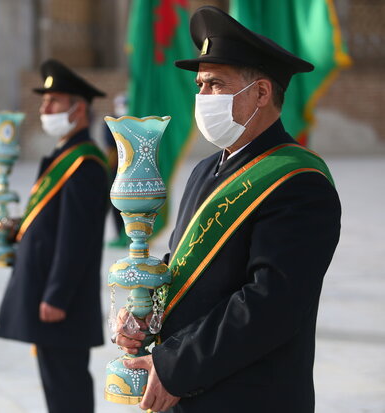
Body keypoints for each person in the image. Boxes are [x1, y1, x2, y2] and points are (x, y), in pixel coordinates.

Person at [114, 6, 341, 413]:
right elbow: (189, 262)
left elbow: (269, 305)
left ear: (261, 93)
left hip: (247, 396)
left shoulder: (300, 182)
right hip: (192, 390)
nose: (202, 98)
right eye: (199, 85)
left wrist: (175, 365)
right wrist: (144, 312)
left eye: (215, 85)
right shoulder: (207, 168)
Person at [0, 59, 109, 413]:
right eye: (44, 101)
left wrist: (57, 296)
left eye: (54, 101)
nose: (44, 108)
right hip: (47, 290)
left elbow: (77, 238)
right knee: (56, 382)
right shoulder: (64, 154)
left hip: (61, 299)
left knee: (67, 386)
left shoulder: (84, 164)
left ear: (78, 109)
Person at [104, 92, 129, 248]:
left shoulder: (132, 120)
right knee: (116, 202)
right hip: (115, 166)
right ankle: (118, 233)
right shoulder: (109, 122)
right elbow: (109, 142)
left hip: (130, 166)